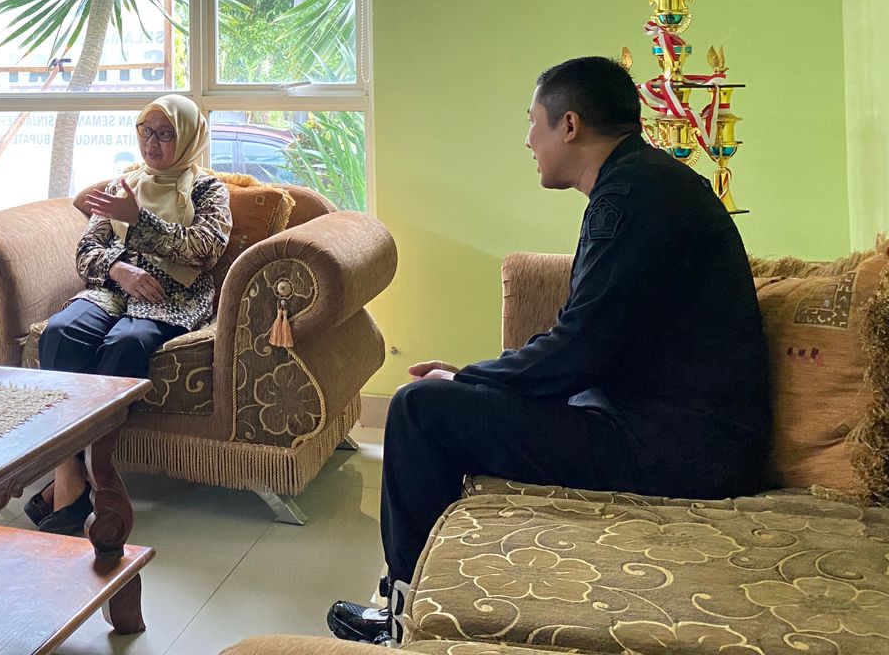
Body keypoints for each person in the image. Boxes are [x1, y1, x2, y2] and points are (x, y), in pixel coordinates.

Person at [328, 57, 771, 645]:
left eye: (533, 122)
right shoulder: (646, 183)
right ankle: (415, 597)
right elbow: (587, 337)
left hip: (679, 451)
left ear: (570, 125)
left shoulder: (630, 197)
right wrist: (477, 379)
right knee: (449, 403)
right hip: (668, 429)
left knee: (417, 410)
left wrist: (469, 381)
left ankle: (404, 619)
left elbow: (580, 348)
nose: (528, 141)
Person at [27, 95, 232, 535]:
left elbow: (204, 250)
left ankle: (91, 473)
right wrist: (119, 268)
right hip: (111, 289)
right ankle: (69, 470)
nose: (152, 144)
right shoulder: (124, 184)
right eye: (146, 131)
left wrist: (137, 221)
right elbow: (87, 250)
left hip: (170, 295)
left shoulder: (208, 190)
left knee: (126, 344)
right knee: (61, 333)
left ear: (189, 138)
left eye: (166, 134)